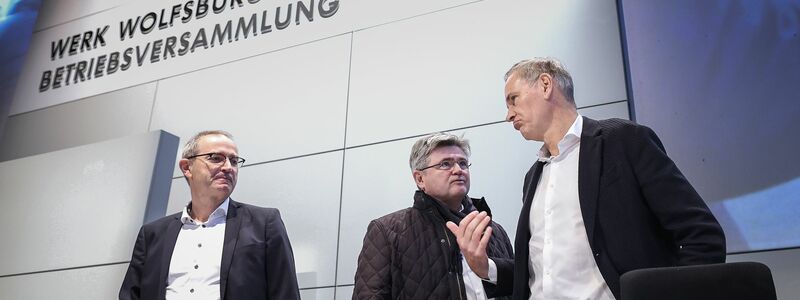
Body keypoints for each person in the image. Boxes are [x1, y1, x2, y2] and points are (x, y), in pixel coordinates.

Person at [448, 57, 726, 299]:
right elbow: (539, 270)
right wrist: (485, 267)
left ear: (545, 85)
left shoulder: (623, 141)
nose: (508, 115)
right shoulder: (533, 176)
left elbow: (701, 236)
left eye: (513, 99)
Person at [119, 130, 301, 300]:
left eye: (234, 161)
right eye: (216, 158)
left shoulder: (264, 223)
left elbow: (285, 293)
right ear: (187, 167)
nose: (228, 167)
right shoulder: (152, 234)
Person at [353, 133, 514, 299]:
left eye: (463, 163)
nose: (458, 170)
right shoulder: (387, 230)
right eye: (445, 164)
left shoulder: (495, 231)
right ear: (420, 179)